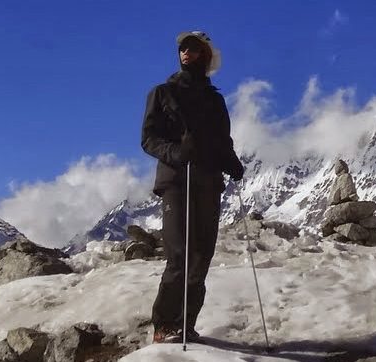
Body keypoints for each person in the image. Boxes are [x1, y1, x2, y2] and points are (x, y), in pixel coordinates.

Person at [140, 30, 245, 344]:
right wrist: (176, 153)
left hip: (209, 182)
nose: (186, 52)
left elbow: (222, 142)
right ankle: (164, 325)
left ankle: (186, 324)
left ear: (206, 56)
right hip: (176, 181)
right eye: (184, 47)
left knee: (202, 255)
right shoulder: (162, 93)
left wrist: (231, 162)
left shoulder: (215, 101)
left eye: (194, 48)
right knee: (181, 253)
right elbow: (148, 139)